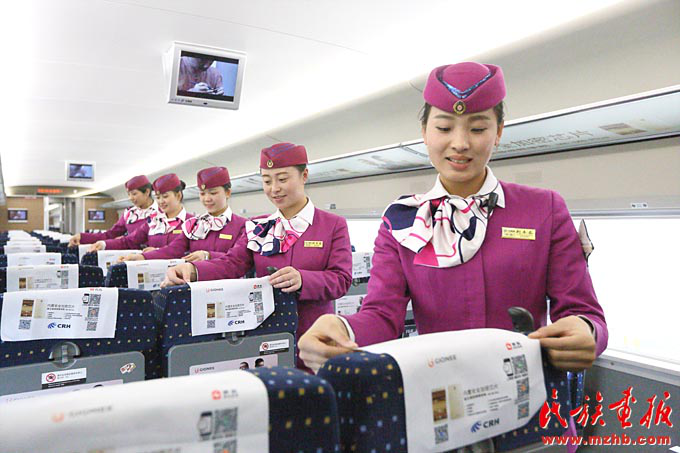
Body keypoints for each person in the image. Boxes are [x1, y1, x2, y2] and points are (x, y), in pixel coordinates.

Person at [298, 62, 608, 376]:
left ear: (499, 132)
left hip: (526, 392)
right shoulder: (403, 222)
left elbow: (583, 311)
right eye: (444, 128)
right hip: (439, 393)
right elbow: (382, 315)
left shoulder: (543, 209)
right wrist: (341, 328)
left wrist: (587, 331)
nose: (460, 143)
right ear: (424, 133)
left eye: (478, 129)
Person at [162, 143, 353, 370]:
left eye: (282, 179)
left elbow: (341, 279)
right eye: (267, 181)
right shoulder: (259, 226)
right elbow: (232, 263)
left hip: (314, 336)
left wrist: (304, 279)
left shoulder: (332, 225)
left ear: (304, 175)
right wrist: (193, 270)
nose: (274, 189)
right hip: (267, 335)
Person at [121, 167, 246, 262]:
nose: (207, 199)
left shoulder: (242, 225)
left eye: (213, 193)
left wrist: (208, 256)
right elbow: (173, 250)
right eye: (202, 194)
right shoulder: (194, 225)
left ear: (228, 192)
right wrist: (141, 257)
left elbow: (241, 259)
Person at [87, 173, 193, 253]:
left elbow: (190, 253)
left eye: (165, 196)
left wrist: (156, 252)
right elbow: (129, 241)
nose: (161, 201)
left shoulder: (192, 223)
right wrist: (104, 244)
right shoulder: (153, 221)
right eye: (158, 197)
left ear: (178, 196)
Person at [69, 175, 159, 247]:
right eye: (129, 194)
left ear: (147, 192)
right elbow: (110, 234)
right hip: (131, 257)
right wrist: (82, 237)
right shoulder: (129, 213)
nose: (131, 198)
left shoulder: (161, 211)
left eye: (134, 194)